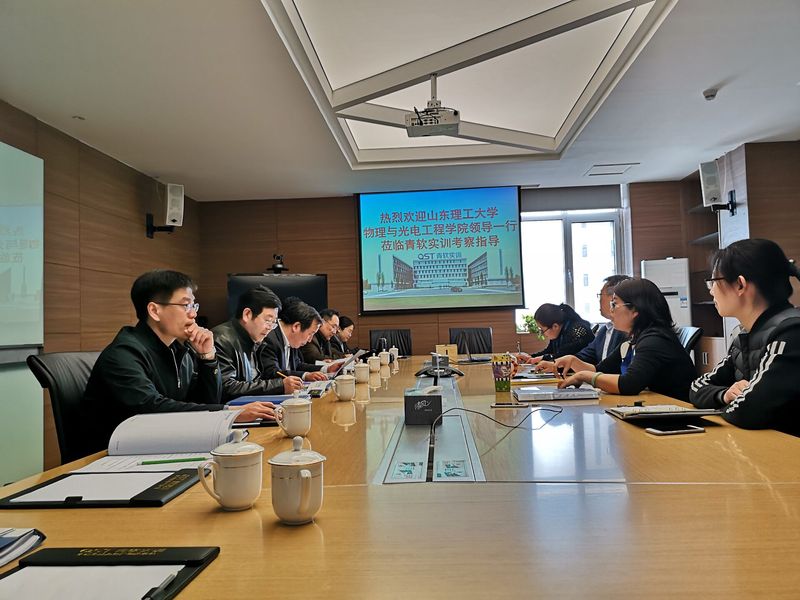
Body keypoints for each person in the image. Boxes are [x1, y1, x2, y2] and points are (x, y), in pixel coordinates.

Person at [82, 270, 276, 454]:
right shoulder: (123, 353)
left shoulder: (179, 349)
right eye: (186, 306)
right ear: (154, 311)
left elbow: (206, 403)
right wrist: (230, 412)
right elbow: (151, 408)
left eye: (194, 306)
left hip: (159, 444)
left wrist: (207, 358)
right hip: (108, 456)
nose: (193, 314)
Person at [689, 239, 800, 434]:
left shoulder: (790, 332)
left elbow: (747, 410)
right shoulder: (744, 334)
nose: (711, 290)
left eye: (714, 282)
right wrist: (725, 394)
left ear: (740, 285)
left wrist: (734, 402)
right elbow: (697, 388)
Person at [553, 278, 697, 400]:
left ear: (635, 310)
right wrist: (573, 361)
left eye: (614, 304)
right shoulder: (632, 341)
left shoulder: (654, 340)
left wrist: (584, 376)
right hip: (657, 408)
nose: (611, 310)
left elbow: (629, 384)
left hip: (679, 415)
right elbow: (600, 370)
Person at [212, 286, 304, 404]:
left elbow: (254, 382)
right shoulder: (221, 339)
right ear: (247, 314)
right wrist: (279, 386)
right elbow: (227, 388)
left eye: (273, 323)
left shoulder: (254, 340)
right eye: (267, 320)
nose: (270, 328)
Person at [537, 275, 630, 372]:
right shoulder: (604, 331)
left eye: (601, 295)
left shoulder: (626, 332)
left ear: (614, 299)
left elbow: (617, 373)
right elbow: (585, 357)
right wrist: (556, 364)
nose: (599, 299)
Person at [259, 297, 332, 381]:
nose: (310, 340)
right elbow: (272, 373)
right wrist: (304, 375)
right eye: (310, 334)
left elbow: (297, 365)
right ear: (296, 326)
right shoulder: (269, 338)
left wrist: (326, 368)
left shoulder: (292, 339)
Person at [517, 303, 594, 363]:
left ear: (555, 326)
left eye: (543, 330)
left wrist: (542, 358)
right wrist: (530, 357)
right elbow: (550, 351)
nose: (543, 334)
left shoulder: (577, 330)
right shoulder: (559, 331)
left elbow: (564, 356)